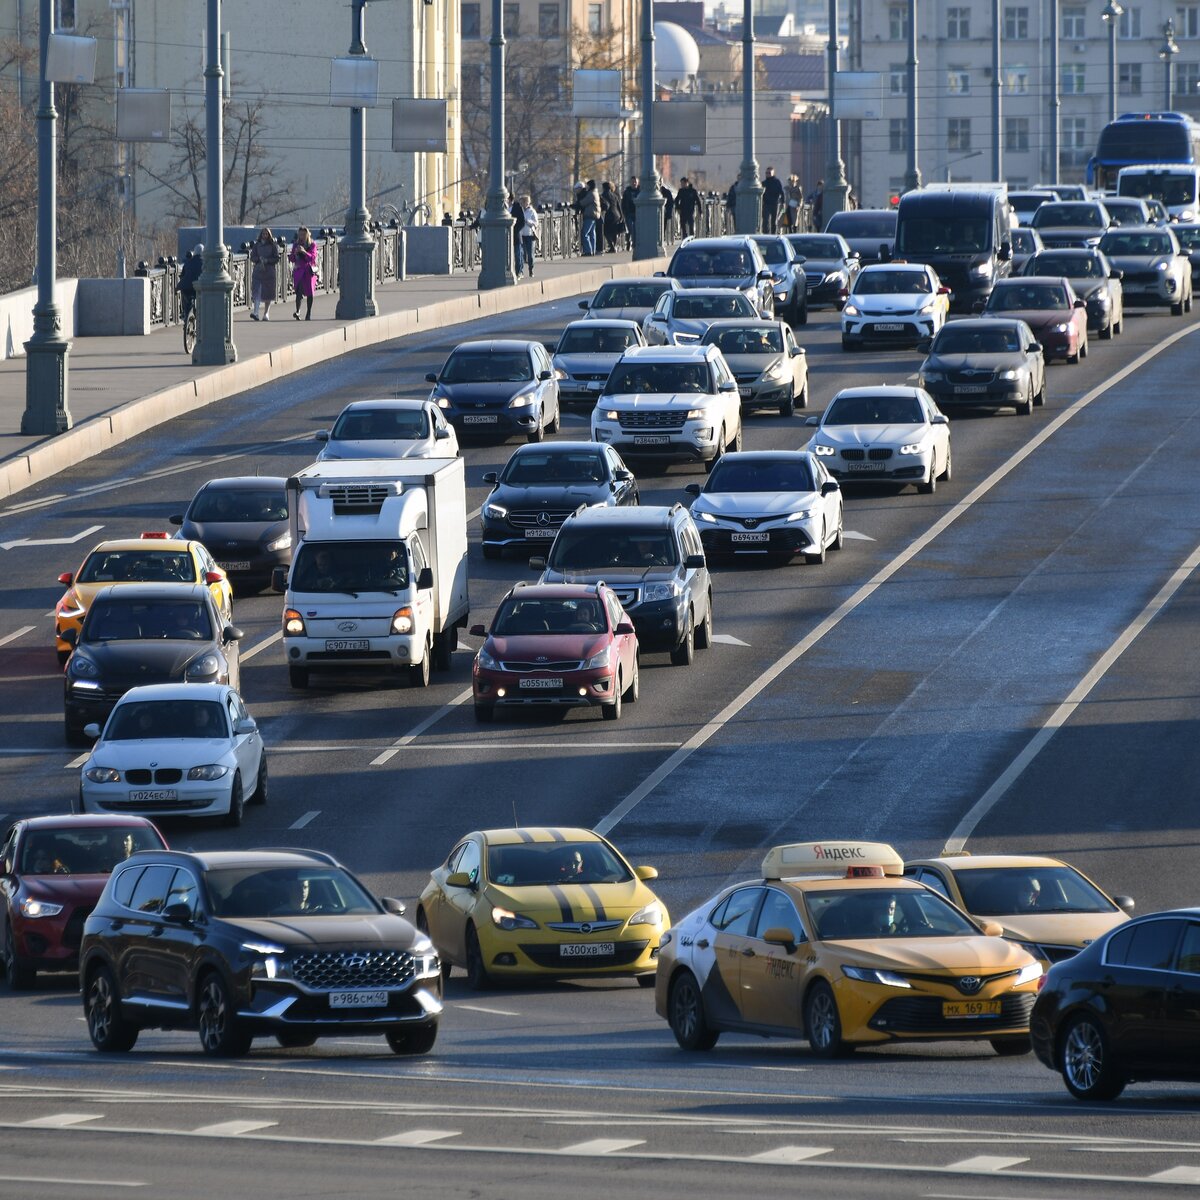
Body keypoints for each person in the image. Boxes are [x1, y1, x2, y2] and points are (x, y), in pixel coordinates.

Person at [248, 227, 279, 321]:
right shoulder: (257, 245)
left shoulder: (273, 246)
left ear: (269, 235)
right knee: (257, 291)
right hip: (258, 271)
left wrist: (267, 260)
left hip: (269, 271)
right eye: (263, 234)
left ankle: (266, 313)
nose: (264, 236)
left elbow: (276, 258)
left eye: (266, 234)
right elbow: (252, 257)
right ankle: (256, 312)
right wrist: (258, 259)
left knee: (267, 293)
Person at [289, 226, 319, 321]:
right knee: (298, 292)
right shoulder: (296, 244)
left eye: (303, 234)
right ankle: (298, 311)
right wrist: (294, 254)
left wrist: (304, 252)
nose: (301, 236)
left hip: (308, 272)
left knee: (309, 293)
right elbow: (292, 259)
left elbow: (312, 258)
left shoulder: (312, 245)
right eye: (300, 234)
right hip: (299, 271)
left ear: (307, 235)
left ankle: (308, 312)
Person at [176, 244, 203, 324]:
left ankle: (185, 313)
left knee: (186, 299)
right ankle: (198, 316)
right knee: (200, 299)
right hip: (198, 287)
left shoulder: (188, 262)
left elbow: (183, 275)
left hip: (185, 287)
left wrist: (178, 287)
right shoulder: (205, 263)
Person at [578, 180, 601, 256]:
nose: (586, 187)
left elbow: (583, 202)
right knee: (592, 234)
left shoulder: (591, 194)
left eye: (587, 186)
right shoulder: (595, 192)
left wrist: (576, 204)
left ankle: (588, 251)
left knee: (584, 233)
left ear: (590, 186)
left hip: (590, 215)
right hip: (594, 215)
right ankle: (592, 250)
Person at [600, 181, 624, 253]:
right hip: (617, 215)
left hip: (608, 215)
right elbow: (618, 206)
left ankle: (612, 246)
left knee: (605, 231)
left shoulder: (603, 195)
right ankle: (613, 246)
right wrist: (621, 215)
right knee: (615, 232)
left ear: (604, 188)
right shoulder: (615, 195)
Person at [520, 195, 539, 279]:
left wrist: (528, 221)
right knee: (522, 254)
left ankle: (531, 270)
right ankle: (521, 271)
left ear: (528, 202)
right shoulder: (520, 211)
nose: (524, 204)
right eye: (523, 202)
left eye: (525, 202)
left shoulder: (532, 211)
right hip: (521, 234)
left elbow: (536, 223)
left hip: (530, 235)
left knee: (530, 254)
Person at [762, 166, 785, 233]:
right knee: (765, 220)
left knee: (774, 221)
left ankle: (773, 234)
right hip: (766, 204)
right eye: (766, 173)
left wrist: (783, 202)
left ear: (773, 173)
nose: (767, 174)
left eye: (769, 173)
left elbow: (782, 192)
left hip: (775, 203)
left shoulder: (777, 182)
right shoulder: (764, 183)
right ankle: (766, 234)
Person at [510, 193, 527, 277]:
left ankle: (518, 272)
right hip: (505, 236)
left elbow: (522, 222)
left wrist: (515, 230)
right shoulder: (501, 208)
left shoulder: (517, 207)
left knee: (517, 254)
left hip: (515, 234)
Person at [621, 176, 639, 248]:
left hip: (637, 213)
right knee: (630, 228)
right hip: (629, 213)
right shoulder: (627, 192)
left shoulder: (641, 191)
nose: (634, 183)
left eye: (635, 182)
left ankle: (634, 244)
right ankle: (628, 241)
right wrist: (624, 212)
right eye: (632, 182)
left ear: (638, 183)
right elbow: (623, 203)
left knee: (635, 229)